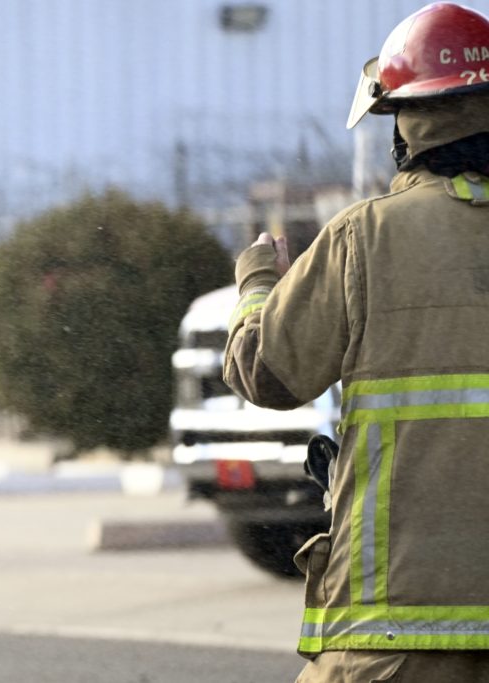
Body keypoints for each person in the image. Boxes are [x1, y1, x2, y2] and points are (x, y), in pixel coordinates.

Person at [224, 3, 489, 681]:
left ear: (404, 125)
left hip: (394, 632)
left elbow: (266, 373)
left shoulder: (364, 237)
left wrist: (257, 283)